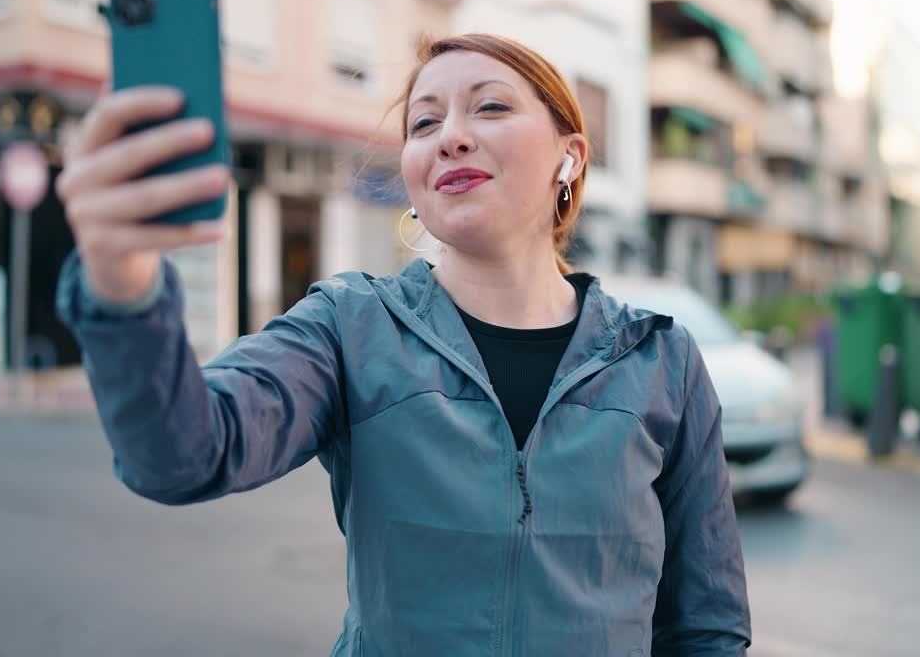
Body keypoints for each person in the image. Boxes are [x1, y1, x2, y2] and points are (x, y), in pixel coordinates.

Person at [55, 33, 751, 656]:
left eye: (490, 107)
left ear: (570, 157)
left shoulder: (662, 362)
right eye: (425, 122)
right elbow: (180, 454)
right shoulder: (349, 326)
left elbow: (707, 628)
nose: (449, 136)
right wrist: (123, 285)